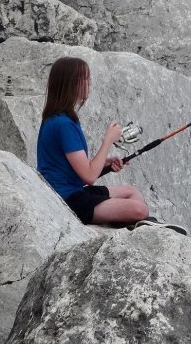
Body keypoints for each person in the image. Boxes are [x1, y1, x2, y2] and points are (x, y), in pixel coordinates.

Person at [37, 57, 150, 226]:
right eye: (85, 78)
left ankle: (125, 222)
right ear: (70, 84)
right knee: (139, 210)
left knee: (132, 193)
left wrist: (105, 164)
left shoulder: (63, 119)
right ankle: (128, 222)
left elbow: (77, 174)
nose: (89, 83)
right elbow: (89, 176)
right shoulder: (63, 124)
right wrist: (108, 140)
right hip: (68, 201)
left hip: (75, 192)